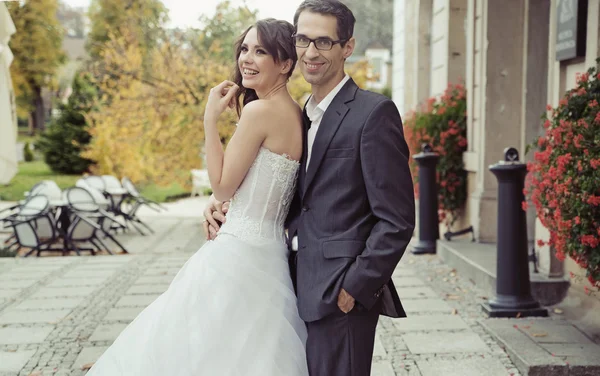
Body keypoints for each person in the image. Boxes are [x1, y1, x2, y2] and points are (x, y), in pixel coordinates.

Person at [203, 1, 416, 375]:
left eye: (324, 42)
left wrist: (355, 287)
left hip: (340, 294)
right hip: (292, 285)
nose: (310, 53)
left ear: (347, 47)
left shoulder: (373, 113)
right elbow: (288, 194)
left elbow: (396, 220)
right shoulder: (302, 114)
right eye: (303, 40)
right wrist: (219, 204)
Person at [86, 18, 309, 376]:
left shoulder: (258, 111)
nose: (246, 60)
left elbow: (222, 186)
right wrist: (220, 203)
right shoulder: (297, 113)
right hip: (270, 255)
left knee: (192, 350)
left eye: (261, 52)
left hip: (236, 255)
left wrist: (209, 120)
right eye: (245, 49)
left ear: (284, 64)